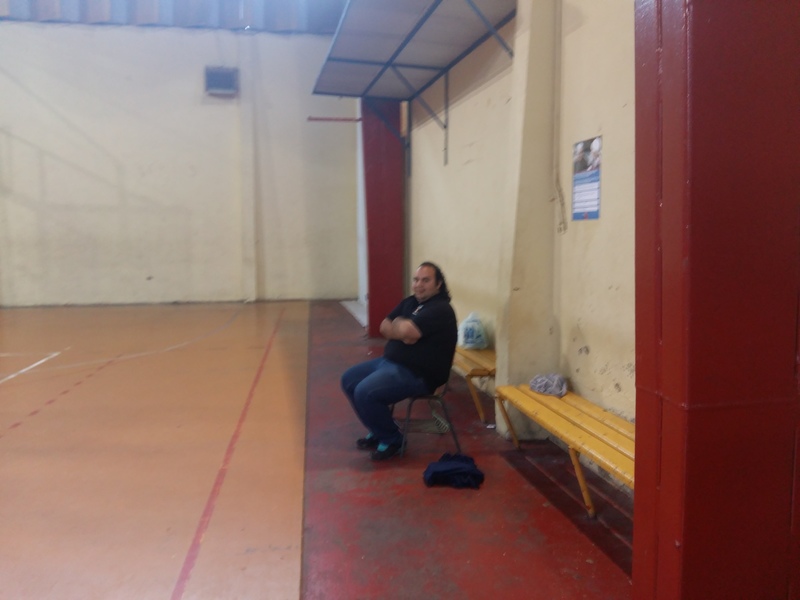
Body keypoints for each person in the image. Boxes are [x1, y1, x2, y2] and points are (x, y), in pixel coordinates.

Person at [341, 262, 457, 461]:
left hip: (418, 374)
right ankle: (379, 429)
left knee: (364, 392)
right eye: (416, 280)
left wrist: (401, 327)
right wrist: (402, 330)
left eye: (426, 280)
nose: (419, 285)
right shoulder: (411, 302)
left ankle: (393, 440)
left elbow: (407, 331)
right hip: (389, 362)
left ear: (438, 284)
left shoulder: (440, 308)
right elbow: (384, 326)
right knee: (349, 379)